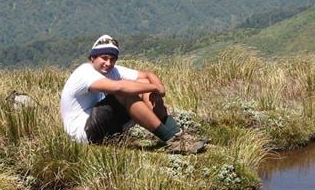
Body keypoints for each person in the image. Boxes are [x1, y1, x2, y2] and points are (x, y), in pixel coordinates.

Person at [59, 35, 205, 154]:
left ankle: (179, 136)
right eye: (104, 58)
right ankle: (172, 140)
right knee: (126, 93)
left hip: (100, 127)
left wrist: (157, 87)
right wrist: (154, 87)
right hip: (83, 134)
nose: (108, 63)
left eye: (112, 59)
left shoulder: (112, 70)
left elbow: (147, 75)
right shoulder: (85, 72)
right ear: (93, 58)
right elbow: (119, 87)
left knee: (142, 87)